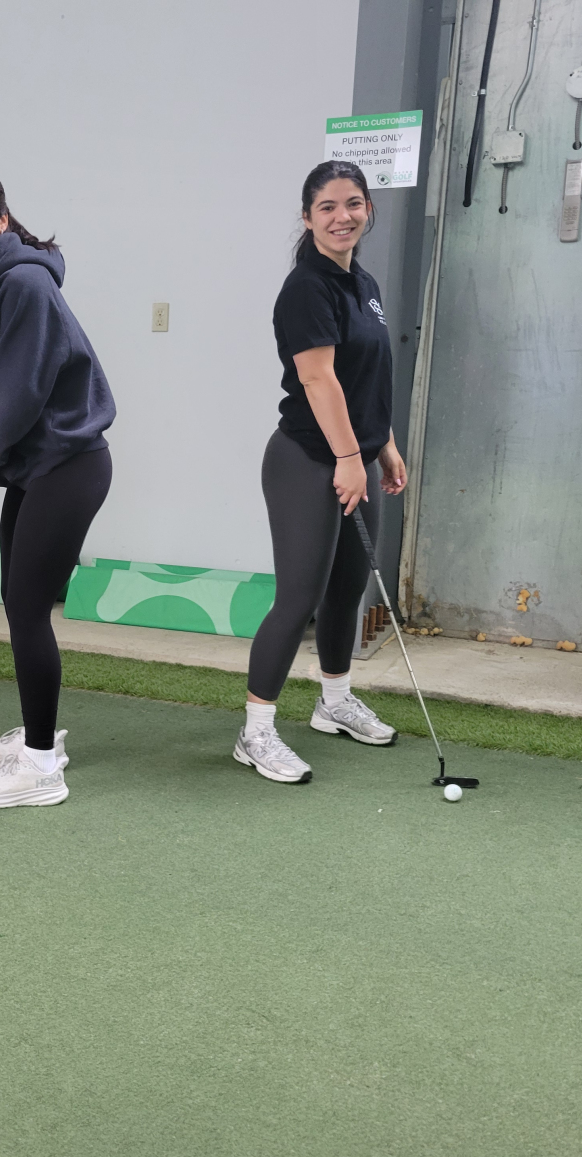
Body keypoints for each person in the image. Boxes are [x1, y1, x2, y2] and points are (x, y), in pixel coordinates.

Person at [0, 165, 116, 809]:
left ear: (2, 219)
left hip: (68, 466)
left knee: (28, 606)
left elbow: (14, 397)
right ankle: (37, 734)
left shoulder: (22, 284)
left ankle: (41, 766)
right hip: (38, 468)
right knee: (20, 605)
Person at [237, 161, 408, 783]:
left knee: (348, 587)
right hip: (307, 460)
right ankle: (256, 732)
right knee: (299, 597)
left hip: (355, 456)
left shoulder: (363, 283)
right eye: (328, 207)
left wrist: (383, 446)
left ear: (368, 210)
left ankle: (334, 702)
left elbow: (366, 378)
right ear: (307, 217)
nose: (343, 216)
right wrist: (348, 458)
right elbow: (318, 379)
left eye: (353, 203)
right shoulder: (306, 288)